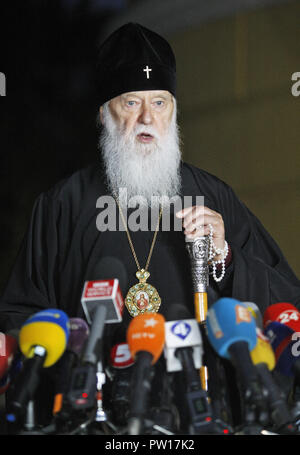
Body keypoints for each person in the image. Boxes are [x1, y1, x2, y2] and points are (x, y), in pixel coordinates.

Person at [1, 22, 300, 431]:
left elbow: (286, 306)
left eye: (159, 103)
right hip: (94, 418)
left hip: (201, 416)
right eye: (131, 103)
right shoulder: (62, 206)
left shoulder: (213, 195)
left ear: (174, 112)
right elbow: (22, 316)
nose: (147, 117)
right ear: (104, 113)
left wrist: (225, 258)